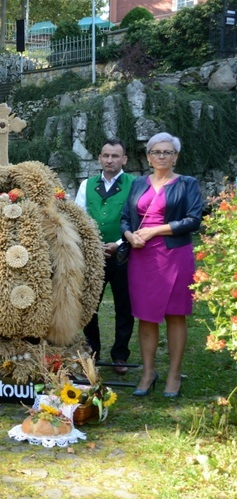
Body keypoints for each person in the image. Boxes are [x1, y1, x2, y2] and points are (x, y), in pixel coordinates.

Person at [121, 132, 203, 398]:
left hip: (175, 255)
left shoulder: (187, 183)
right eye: (156, 152)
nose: (161, 156)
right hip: (141, 256)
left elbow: (193, 220)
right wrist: (129, 235)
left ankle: (174, 374)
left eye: (167, 152)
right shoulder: (137, 184)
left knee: (175, 314)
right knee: (145, 316)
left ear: (176, 156)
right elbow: (125, 219)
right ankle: (147, 373)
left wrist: (155, 231)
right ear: (148, 156)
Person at [75, 139, 134, 374]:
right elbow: (80, 218)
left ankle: (120, 355)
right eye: (106, 155)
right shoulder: (86, 185)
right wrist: (95, 245)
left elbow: (136, 219)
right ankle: (93, 351)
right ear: (99, 158)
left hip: (124, 255)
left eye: (115, 156)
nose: (110, 160)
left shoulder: (135, 184)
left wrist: (119, 243)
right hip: (94, 255)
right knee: (90, 305)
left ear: (124, 159)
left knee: (124, 306)